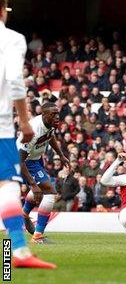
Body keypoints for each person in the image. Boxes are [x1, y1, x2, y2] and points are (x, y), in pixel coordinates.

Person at [0, 0, 55, 269]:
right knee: (8, 187)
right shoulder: (11, 39)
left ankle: (18, 253)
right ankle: (16, 255)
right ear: (3, 10)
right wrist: (24, 120)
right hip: (2, 128)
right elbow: (14, 80)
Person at [19, 102, 70, 244]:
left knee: (44, 189)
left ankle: (24, 213)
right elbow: (20, 160)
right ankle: (38, 236)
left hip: (36, 158)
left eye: (57, 113)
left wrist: (60, 154)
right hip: (25, 161)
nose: (57, 117)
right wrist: (33, 185)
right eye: (53, 114)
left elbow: (50, 136)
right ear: (44, 114)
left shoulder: (49, 125)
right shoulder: (32, 131)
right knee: (50, 192)